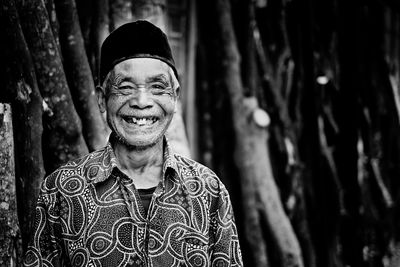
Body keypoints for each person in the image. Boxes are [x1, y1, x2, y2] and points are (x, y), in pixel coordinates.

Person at [23, 20, 243, 267]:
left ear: (175, 97)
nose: (141, 101)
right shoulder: (61, 191)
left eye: (157, 87)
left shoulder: (208, 191)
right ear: (102, 100)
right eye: (125, 87)